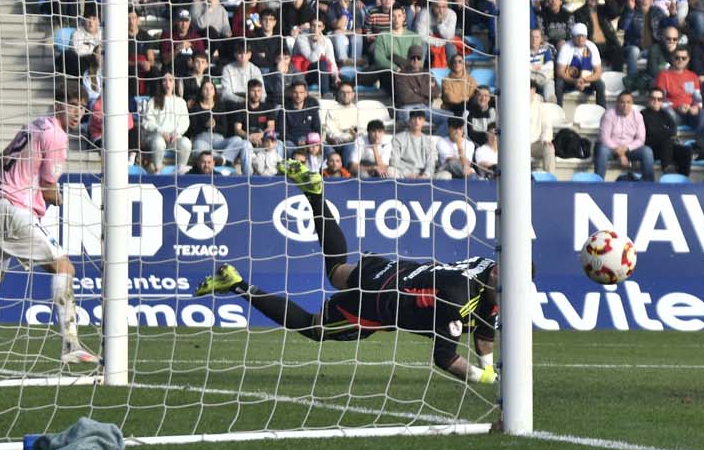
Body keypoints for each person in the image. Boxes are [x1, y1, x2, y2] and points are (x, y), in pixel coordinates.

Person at [196, 161, 496, 385]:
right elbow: (445, 358)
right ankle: (236, 285)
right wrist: (484, 378)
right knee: (315, 327)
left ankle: (315, 195)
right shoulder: (457, 302)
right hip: (377, 303)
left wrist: (490, 366)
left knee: (337, 270)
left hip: (391, 270)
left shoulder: (487, 267)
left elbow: (485, 327)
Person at [0, 87, 97, 367]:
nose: (78, 113)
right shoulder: (57, 136)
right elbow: (49, 189)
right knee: (64, 267)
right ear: (58, 104)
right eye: (73, 105)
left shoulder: (34, 125)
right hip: (15, 210)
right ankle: (70, 344)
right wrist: (57, 197)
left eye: (83, 107)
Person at [595, 91, 655, 181]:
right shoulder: (609, 114)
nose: (625, 105)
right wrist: (620, 153)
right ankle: (597, 183)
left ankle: (649, 185)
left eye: (628, 102)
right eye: (622, 102)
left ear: (632, 104)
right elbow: (604, 138)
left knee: (647, 151)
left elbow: (640, 139)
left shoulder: (638, 116)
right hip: (611, 149)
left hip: (629, 149)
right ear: (617, 103)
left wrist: (626, 148)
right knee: (602, 150)